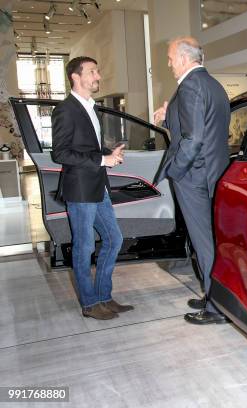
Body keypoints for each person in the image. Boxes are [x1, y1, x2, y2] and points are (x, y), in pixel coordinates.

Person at [153, 37, 230, 325]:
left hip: (195, 177)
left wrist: (177, 171)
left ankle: (216, 308)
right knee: (210, 242)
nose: (169, 62)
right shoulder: (211, 84)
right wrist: (168, 117)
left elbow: (194, 138)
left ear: (184, 58)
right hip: (211, 174)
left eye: (171, 57)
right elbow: (205, 128)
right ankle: (214, 294)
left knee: (204, 244)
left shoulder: (190, 86)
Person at [51, 56, 134, 320]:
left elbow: (87, 148)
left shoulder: (91, 108)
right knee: (84, 246)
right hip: (81, 189)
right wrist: (102, 159)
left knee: (114, 239)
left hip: (98, 187)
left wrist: (109, 153)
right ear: (76, 77)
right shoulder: (65, 109)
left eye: (97, 71)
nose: (98, 76)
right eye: (93, 72)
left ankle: (104, 297)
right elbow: (61, 153)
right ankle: (89, 304)